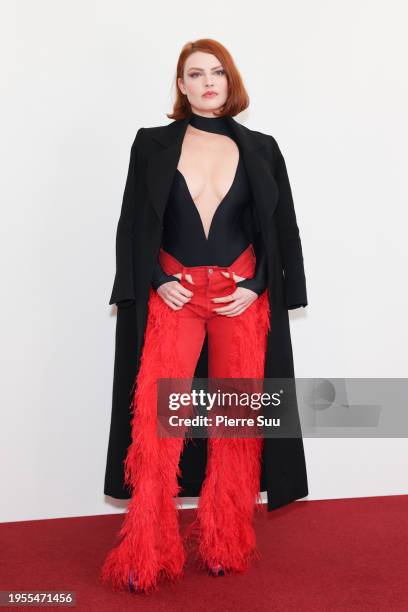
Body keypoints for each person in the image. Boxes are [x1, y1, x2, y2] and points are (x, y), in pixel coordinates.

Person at [101, 38, 308, 595]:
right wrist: (156, 281)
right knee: (156, 424)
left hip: (239, 299)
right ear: (181, 85)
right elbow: (132, 225)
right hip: (175, 295)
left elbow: (280, 228)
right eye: (195, 74)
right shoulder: (151, 145)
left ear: (229, 80)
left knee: (236, 424)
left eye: (217, 71)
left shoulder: (262, 148)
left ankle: (225, 541)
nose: (208, 81)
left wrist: (262, 285)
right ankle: (148, 547)